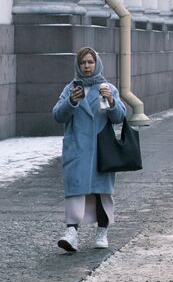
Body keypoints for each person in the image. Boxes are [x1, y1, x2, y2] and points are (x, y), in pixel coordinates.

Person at [52, 48, 127, 253]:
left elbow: (120, 116)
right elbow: (58, 115)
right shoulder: (71, 89)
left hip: (102, 150)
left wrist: (111, 101)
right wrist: (72, 102)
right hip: (77, 149)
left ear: (97, 64)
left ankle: (102, 231)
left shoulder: (108, 87)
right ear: (78, 65)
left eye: (90, 62)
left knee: (101, 192)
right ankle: (71, 233)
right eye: (83, 63)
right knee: (75, 192)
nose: (87, 66)